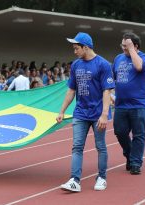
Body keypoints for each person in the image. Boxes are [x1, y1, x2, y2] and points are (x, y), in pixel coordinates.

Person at [56, 32, 115, 192]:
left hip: (97, 114)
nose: (74, 51)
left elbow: (106, 92)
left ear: (86, 47)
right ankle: (75, 180)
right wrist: (62, 111)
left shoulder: (103, 65)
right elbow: (71, 90)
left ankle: (102, 177)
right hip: (80, 113)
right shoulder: (76, 65)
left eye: (76, 48)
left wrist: (104, 114)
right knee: (77, 147)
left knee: (100, 146)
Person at [112, 32, 145, 175]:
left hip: (139, 105)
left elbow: (139, 67)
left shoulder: (144, 58)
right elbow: (112, 78)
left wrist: (132, 50)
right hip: (121, 105)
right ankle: (130, 155)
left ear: (135, 46)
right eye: (122, 45)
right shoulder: (118, 59)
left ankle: (135, 163)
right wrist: (111, 94)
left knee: (138, 135)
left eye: (126, 46)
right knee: (119, 132)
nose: (123, 48)